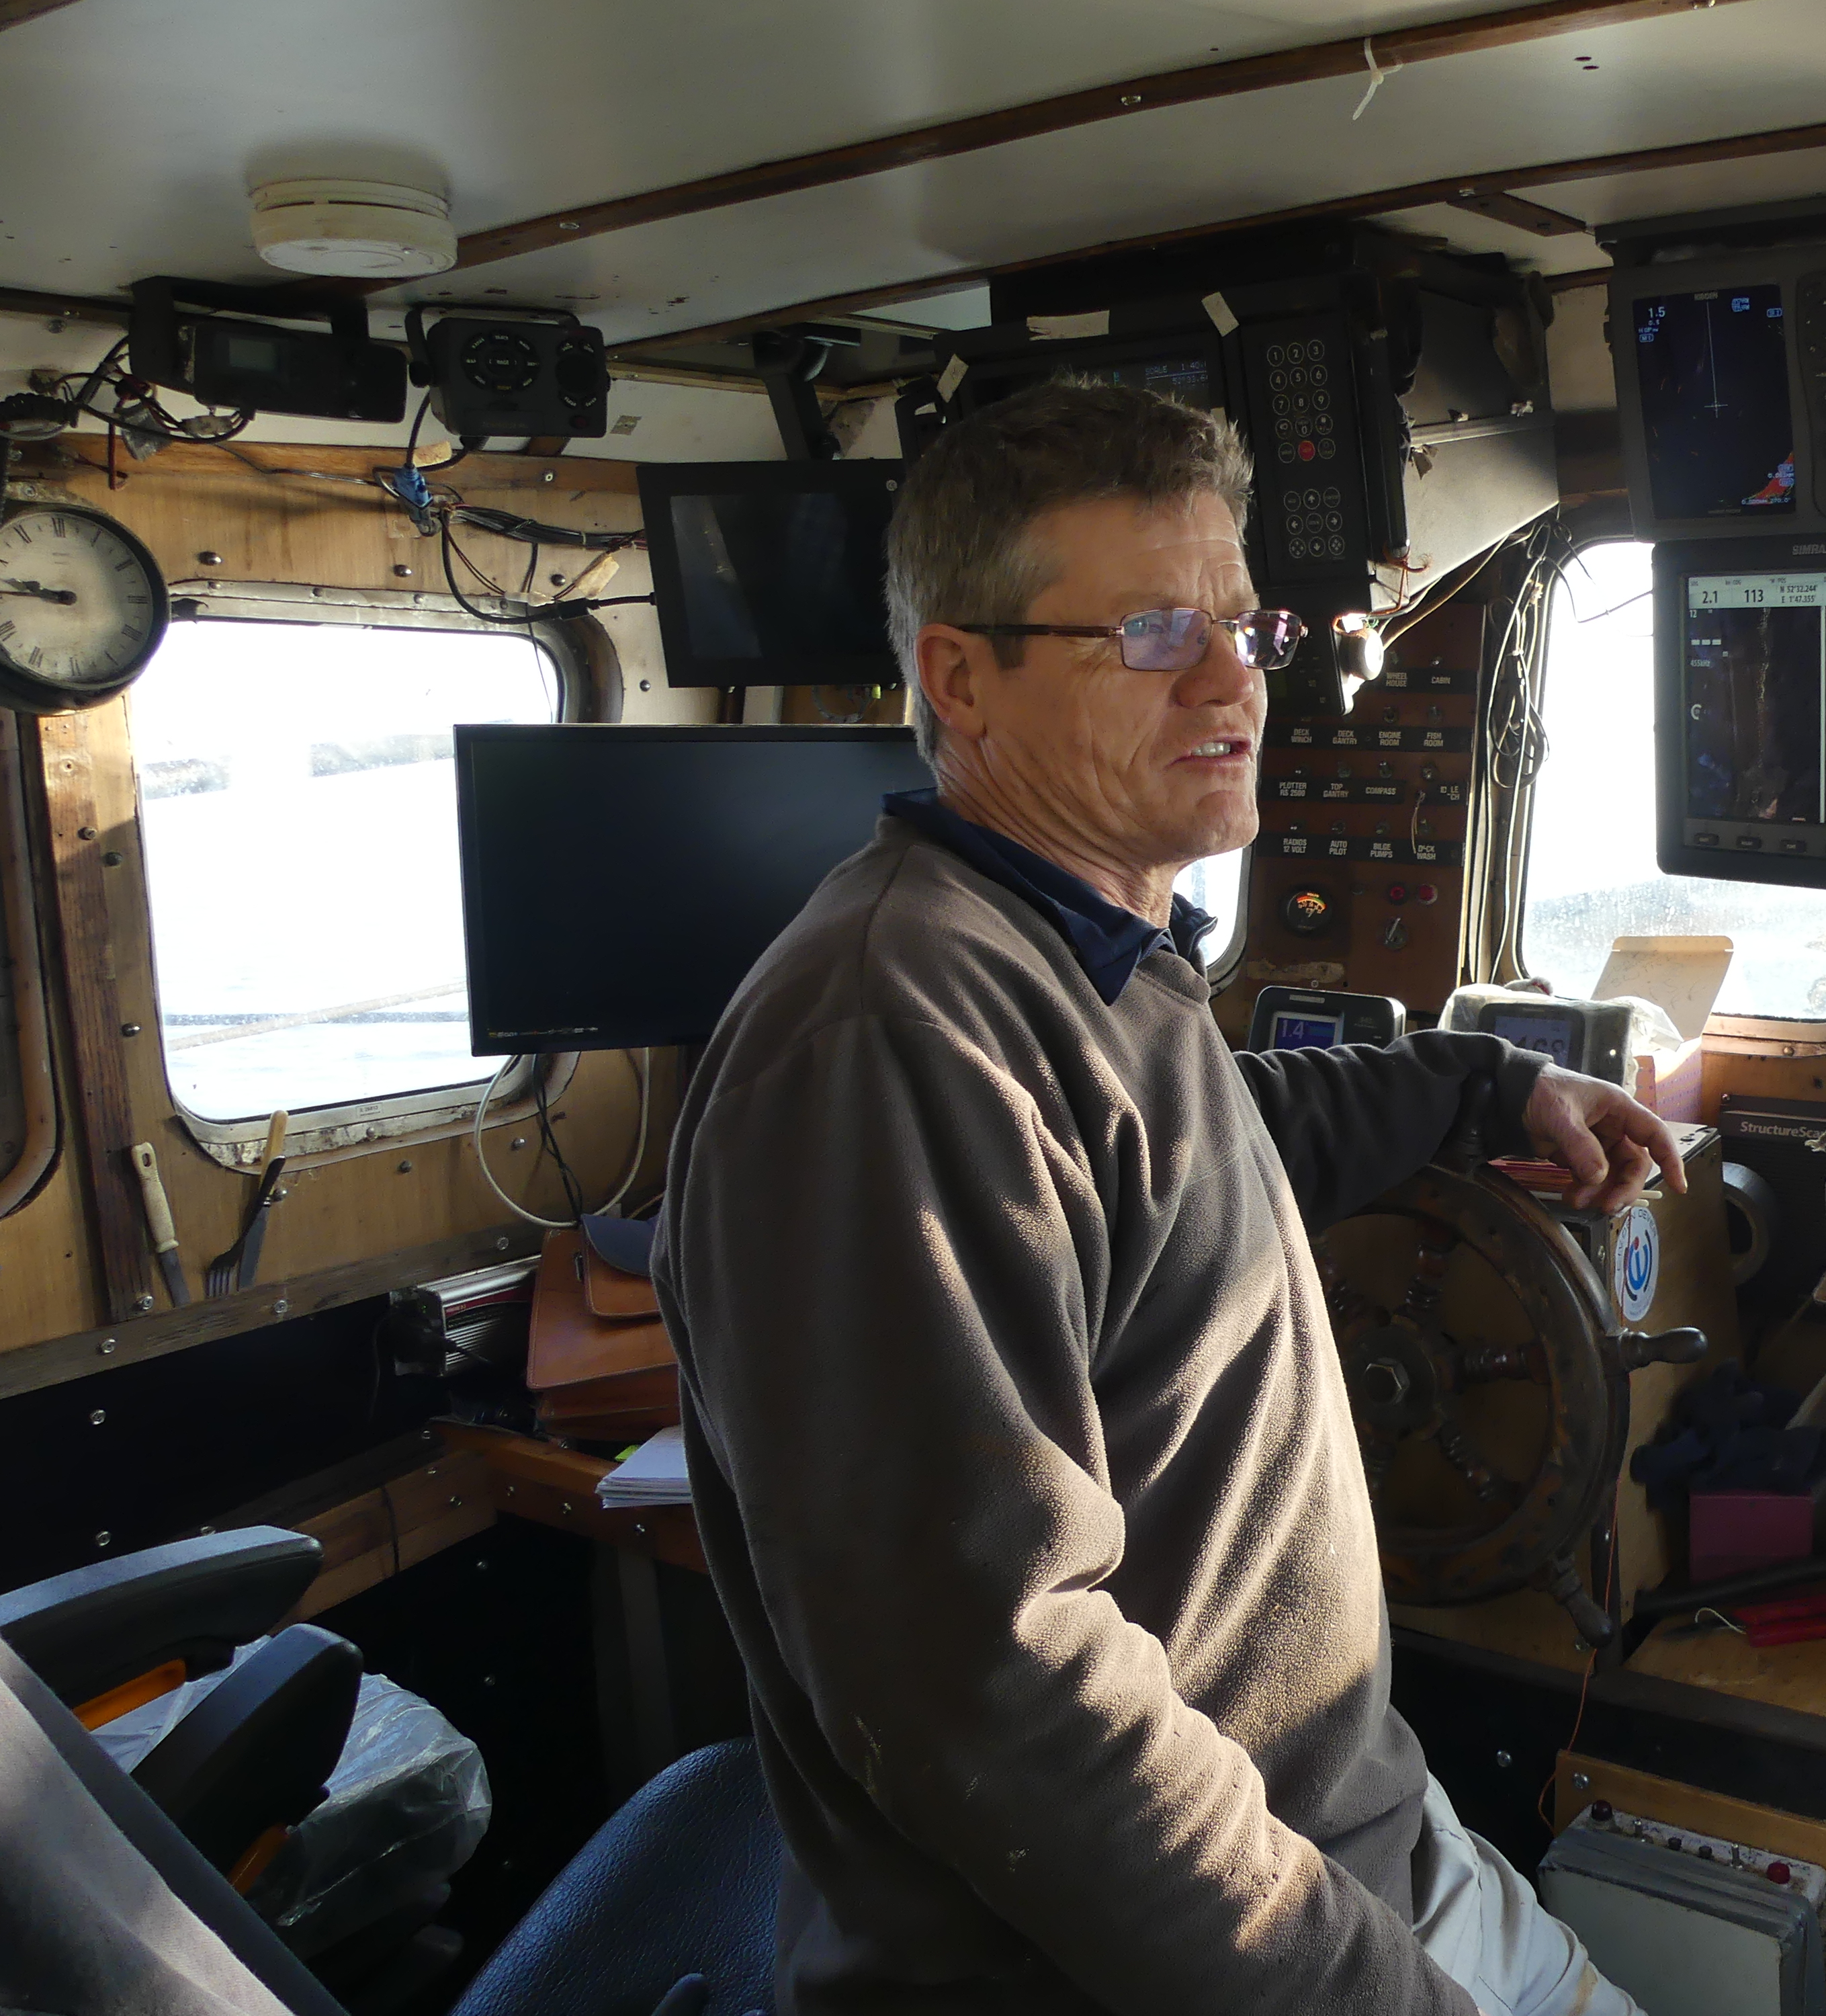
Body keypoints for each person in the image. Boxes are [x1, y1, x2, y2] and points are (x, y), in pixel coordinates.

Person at [655, 380, 1673, 2016]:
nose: (1229, 682)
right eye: (1147, 634)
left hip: (1352, 1843)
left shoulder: (1090, 957)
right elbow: (996, 1695)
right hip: (1162, 1963)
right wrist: (1359, 1992)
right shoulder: (888, 1035)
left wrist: (1485, 1084)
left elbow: (1214, 1145)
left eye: (1243, 629)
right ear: (958, 679)